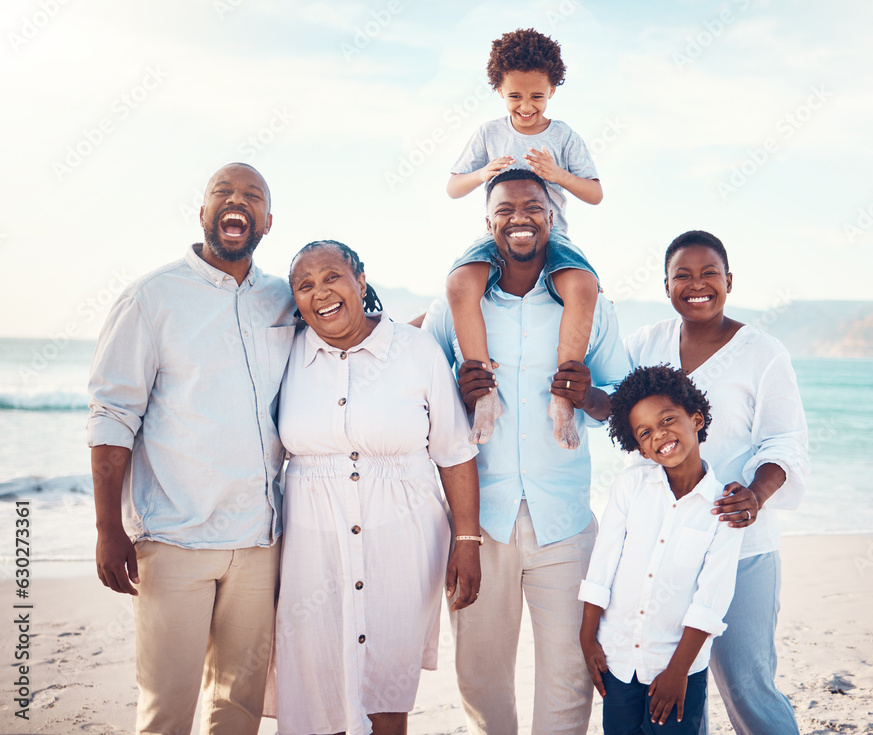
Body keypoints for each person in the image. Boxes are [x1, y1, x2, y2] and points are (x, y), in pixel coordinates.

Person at [88, 162, 295, 735]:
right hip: (174, 539)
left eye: (252, 195)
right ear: (203, 213)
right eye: (223, 193)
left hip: (259, 542)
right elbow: (112, 415)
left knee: (239, 708)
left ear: (267, 221)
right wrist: (108, 528)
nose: (238, 201)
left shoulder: (284, 300)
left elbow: (348, 339)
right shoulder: (152, 298)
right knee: (166, 709)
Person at [424, 167, 630, 735]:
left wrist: (590, 398)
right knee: (480, 675)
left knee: (569, 675)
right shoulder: (455, 308)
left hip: (564, 521)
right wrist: (457, 393)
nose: (521, 218)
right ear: (487, 222)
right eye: (506, 209)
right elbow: (419, 393)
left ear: (552, 217)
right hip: (478, 523)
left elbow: (629, 400)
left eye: (534, 207)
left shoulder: (591, 308)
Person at [264, 240, 482, 735]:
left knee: (386, 684)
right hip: (311, 545)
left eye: (332, 277)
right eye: (305, 285)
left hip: (403, 541)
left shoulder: (415, 350)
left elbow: (454, 450)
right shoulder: (285, 354)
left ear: (360, 281)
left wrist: (467, 540)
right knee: (313, 681)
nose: (321, 292)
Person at [624, 230, 810, 735]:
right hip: (667, 548)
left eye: (709, 273)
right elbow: (619, 412)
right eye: (682, 275)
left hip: (740, 541)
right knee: (681, 687)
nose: (697, 285)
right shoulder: (646, 343)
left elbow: (786, 441)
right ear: (666, 286)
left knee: (747, 686)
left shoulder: (763, 352)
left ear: (729, 281)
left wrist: (757, 495)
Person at [445, 27, 603, 450]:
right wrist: (484, 173)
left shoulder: (564, 136)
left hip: (552, 238)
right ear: (499, 89)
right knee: (460, 282)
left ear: (553, 89)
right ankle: (486, 394)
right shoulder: (488, 134)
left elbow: (595, 193)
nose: (527, 106)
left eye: (538, 96)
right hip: (496, 237)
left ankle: (562, 396)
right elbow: (453, 186)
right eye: (516, 97)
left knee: (583, 284)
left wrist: (558, 176)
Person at [580, 365, 742, 734]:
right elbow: (602, 565)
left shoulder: (724, 508)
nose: (660, 435)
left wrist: (677, 672)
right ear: (640, 448)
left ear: (696, 419)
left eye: (668, 419)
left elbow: (710, 600)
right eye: (646, 432)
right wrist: (587, 637)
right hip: (618, 660)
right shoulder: (629, 487)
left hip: (677, 668)